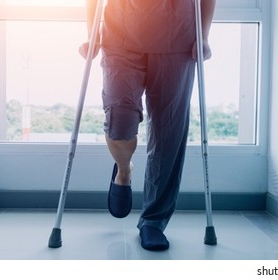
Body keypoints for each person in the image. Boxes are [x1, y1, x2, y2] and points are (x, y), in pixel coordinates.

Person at [80, 0, 215, 251]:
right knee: (119, 124)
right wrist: (91, 34)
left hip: (177, 40)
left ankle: (153, 221)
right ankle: (124, 170)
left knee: (168, 134)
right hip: (120, 36)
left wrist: (203, 36)